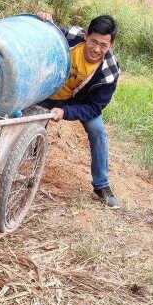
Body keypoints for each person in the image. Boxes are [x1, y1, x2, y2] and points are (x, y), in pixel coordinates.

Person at [37, 12, 121, 208]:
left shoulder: (110, 71)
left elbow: (94, 107)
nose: (96, 49)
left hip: (78, 103)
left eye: (103, 45)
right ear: (86, 36)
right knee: (24, 115)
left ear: (111, 46)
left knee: (98, 131)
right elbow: (49, 30)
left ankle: (102, 185)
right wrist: (45, 19)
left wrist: (65, 112)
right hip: (47, 93)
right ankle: (30, 148)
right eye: (93, 42)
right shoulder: (71, 37)